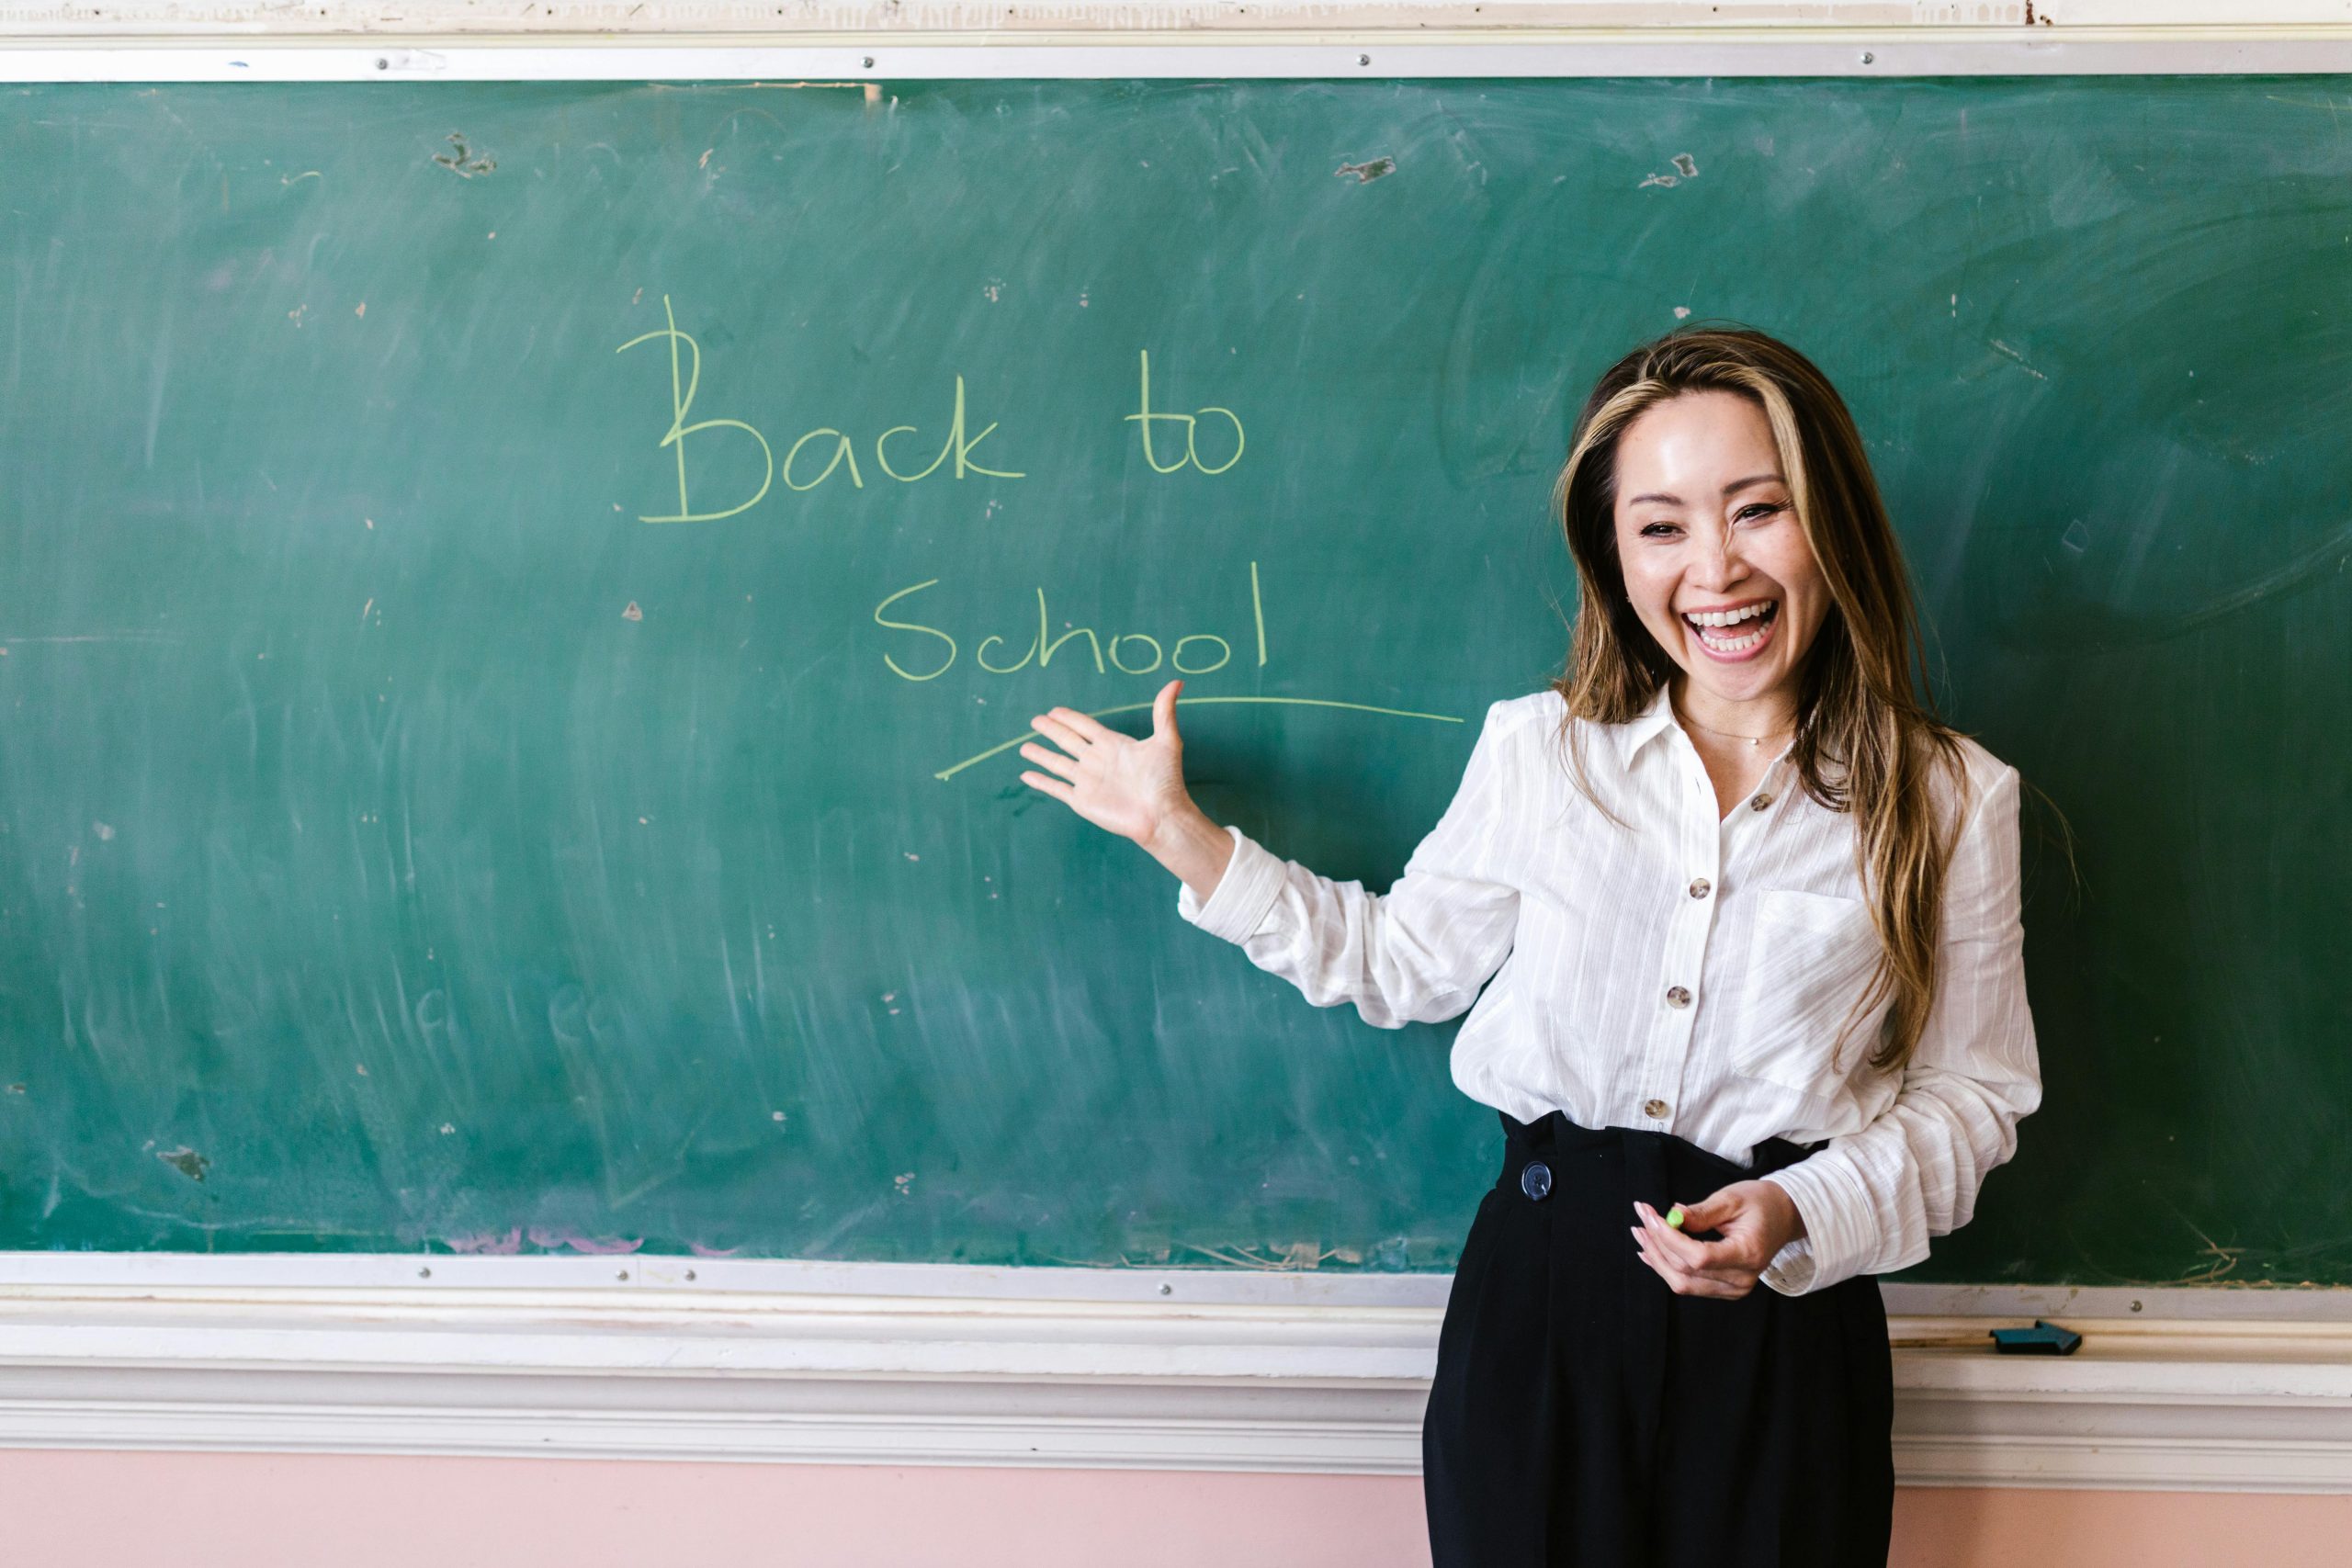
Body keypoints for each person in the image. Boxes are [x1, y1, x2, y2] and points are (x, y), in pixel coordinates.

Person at [1014, 325, 2041, 1567]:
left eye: (1759, 509)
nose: (1715, 567)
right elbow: (1400, 965)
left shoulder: (1949, 798)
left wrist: (1800, 1208)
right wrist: (1184, 835)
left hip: (1787, 1324)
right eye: (1661, 524)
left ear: (1832, 521)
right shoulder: (1539, 754)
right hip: (1540, 1305)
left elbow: (1975, 1096)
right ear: (1614, 556)